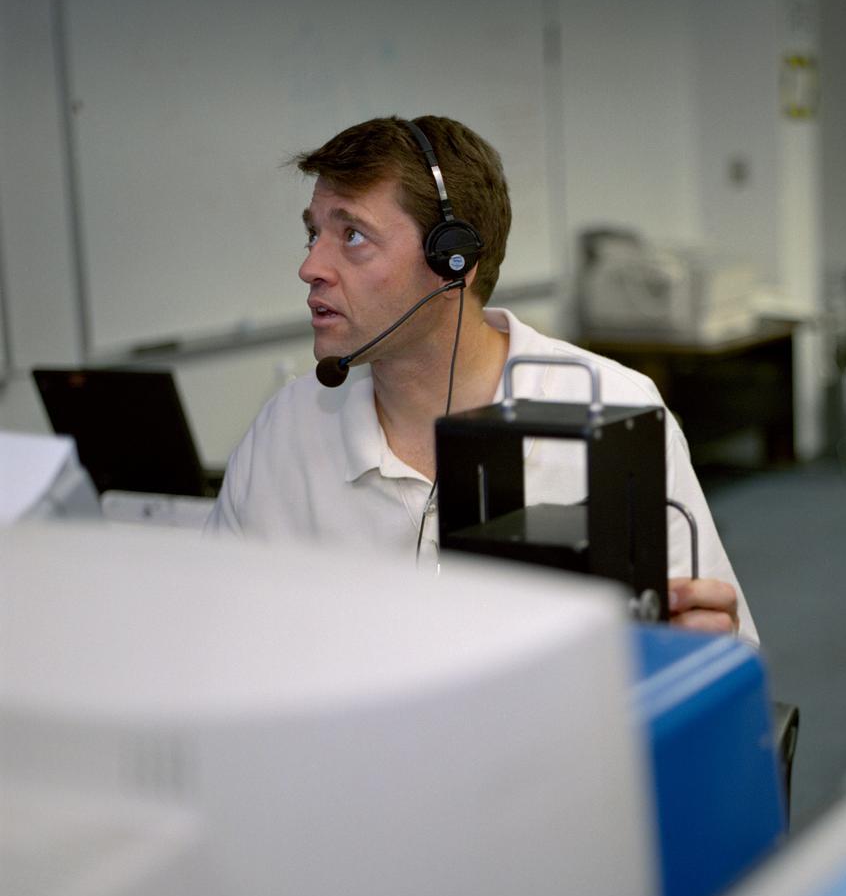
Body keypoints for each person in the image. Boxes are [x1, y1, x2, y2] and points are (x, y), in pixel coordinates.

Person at [206, 114, 756, 643]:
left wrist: (700, 647)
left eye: (352, 235)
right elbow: (214, 636)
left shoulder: (612, 409)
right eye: (313, 234)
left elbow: (717, 646)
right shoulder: (284, 430)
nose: (310, 267)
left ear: (453, 259)